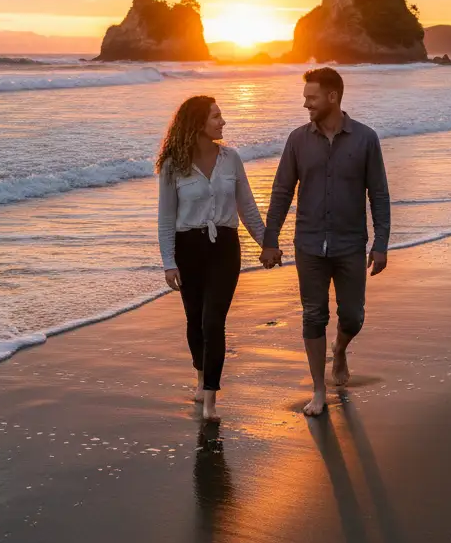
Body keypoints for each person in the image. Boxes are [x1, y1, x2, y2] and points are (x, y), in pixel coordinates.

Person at [260, 67, 390, 416]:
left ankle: (341, 347)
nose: (306, 105)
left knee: (353, 316)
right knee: (313, 315)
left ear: (332, 97)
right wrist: (270, 239)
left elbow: (378, 194)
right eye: (305, 98)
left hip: (350, 244)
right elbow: (282, 191)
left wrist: (381, 243)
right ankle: (318, 390)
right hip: (310, 244)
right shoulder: (297, 140)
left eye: (311, 98)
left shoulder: (366, 139)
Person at [157, 95, 270, 420]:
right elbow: (166, 218)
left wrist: (266, 244)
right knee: (195, 320)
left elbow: (246, 206)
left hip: (224, 247)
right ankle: (200, 374)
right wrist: (169, 262)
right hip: (187, 248)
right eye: (216, 117)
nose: (223, 122)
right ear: (198, 124)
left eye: (221, 116)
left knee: (212, 320)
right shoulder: (172, 166)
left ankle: (210, 399)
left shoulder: (231, 158)